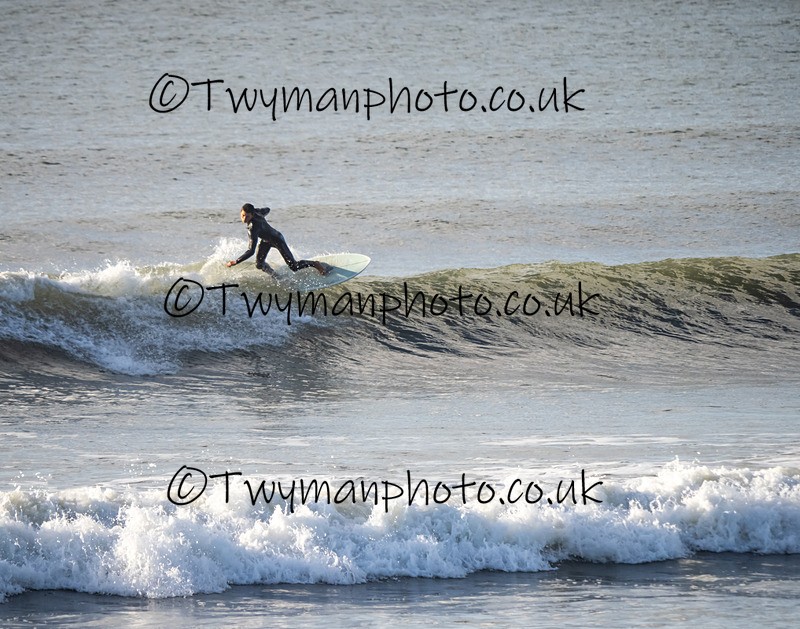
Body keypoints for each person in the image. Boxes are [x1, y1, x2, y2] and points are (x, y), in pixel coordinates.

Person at [226, 203, 327, 275]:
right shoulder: (258, 212)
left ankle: (315, 264)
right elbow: (267, 209)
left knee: (294, 266)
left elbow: (251, 250)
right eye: (243, 215)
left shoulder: (252, 228)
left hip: (277, 239)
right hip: (266, 241)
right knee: (259, 264)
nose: (244, 219)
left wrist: (236, 261)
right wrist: (258, 211)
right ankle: (275, 276)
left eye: (247, 216)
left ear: (252, 215)